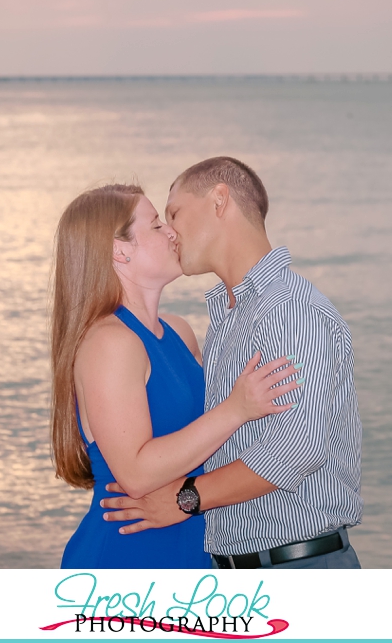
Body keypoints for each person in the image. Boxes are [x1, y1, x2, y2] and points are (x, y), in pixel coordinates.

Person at [99, 157, 363, 570]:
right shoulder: (229, 316)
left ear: (219, 201)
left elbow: (297, 449)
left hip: (299, 567)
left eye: (174, 213)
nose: (170, 231)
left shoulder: (289, 311)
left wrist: (188, 499)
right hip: (233, 571)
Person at [52, 183, 300, 569]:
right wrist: (236, 410)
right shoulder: (110, 342)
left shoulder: (179, 332)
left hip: (194, 548)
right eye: (154, 225)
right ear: (120, 250)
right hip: (130, 557)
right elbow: (135, 473)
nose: (171, 232)